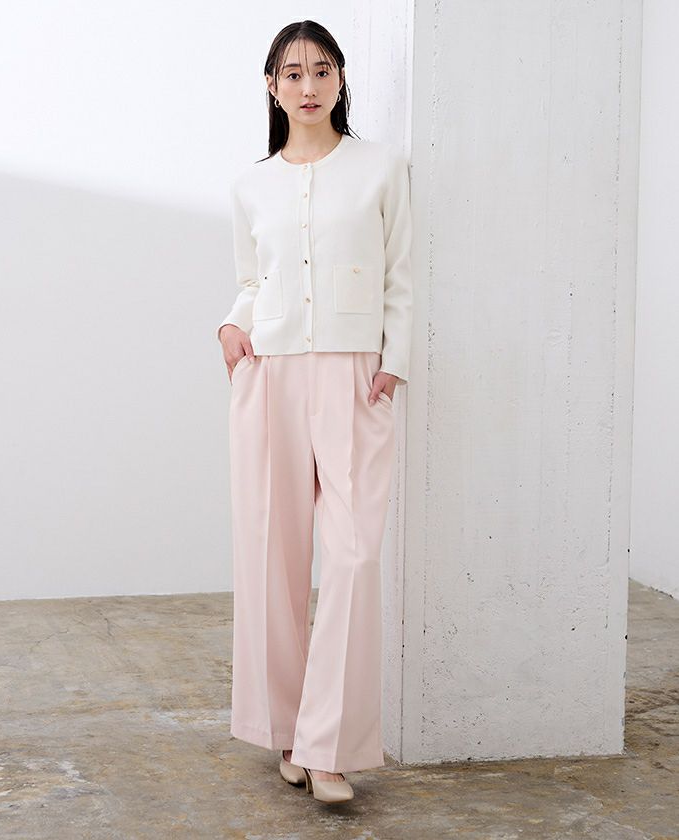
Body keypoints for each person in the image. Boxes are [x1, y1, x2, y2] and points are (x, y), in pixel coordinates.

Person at [217, 20, 412, 804]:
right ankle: (291, 734)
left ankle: (329, 746)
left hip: (358, 375)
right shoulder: (251, 185)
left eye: (321, 70)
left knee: (354, 555)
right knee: (273, 556)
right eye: (292, 73)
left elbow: (401, 272)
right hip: (269, 373)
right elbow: (252, 280)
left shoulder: (380, 168)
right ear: (272, 86)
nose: (307, 85)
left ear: (340, 80)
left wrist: (394, 360)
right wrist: (232, 324)